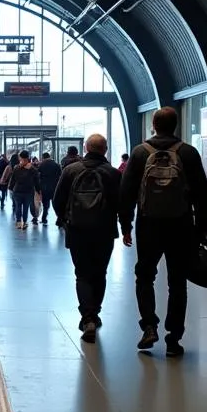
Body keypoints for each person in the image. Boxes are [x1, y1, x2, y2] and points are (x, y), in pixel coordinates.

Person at [119, 106, 207, 358]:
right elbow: (203, 196)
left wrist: (125, 225)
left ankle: (149, 325)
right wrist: (200, 230)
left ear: (153, 124)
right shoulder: (188, 153)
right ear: (176, 125)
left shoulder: (140, 153)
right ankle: (174, 338)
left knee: (144, 275)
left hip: (148, 224)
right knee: (177, 281)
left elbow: (126, 193)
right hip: (180, 224)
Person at [53, 134, 121, 342]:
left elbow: (57, 201)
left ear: (85, 148)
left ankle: (87, 317)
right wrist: (125, 226)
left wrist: (66, 221)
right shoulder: (112, 173)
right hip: (104, 231)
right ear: (105, 150)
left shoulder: (70, 171)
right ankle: (95, 313)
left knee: (82, 274)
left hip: (77, 230)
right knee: (99, 272)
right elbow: (122, 203)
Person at [9, 150, 40, 229]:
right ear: (28, 157)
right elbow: (36, 181)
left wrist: (10, 188)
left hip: (17, 191)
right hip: (28, 191)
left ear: (20, 158)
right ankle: (25, 223)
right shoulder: (33, 169)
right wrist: (38, 190)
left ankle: (19, 223)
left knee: (18, 207)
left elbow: (13, 180)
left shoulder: (16, 168)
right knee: (25, 208)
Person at [37, 151, 62, 225]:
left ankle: (44, 218)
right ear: (49, 156)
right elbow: (60, 175)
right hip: (55, 187)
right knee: (55, 204)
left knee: (45, 205)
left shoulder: (41, 165)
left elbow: (39, 176)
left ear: (43, 158)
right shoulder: (56, 165)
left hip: (45, 187)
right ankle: (59, 218)